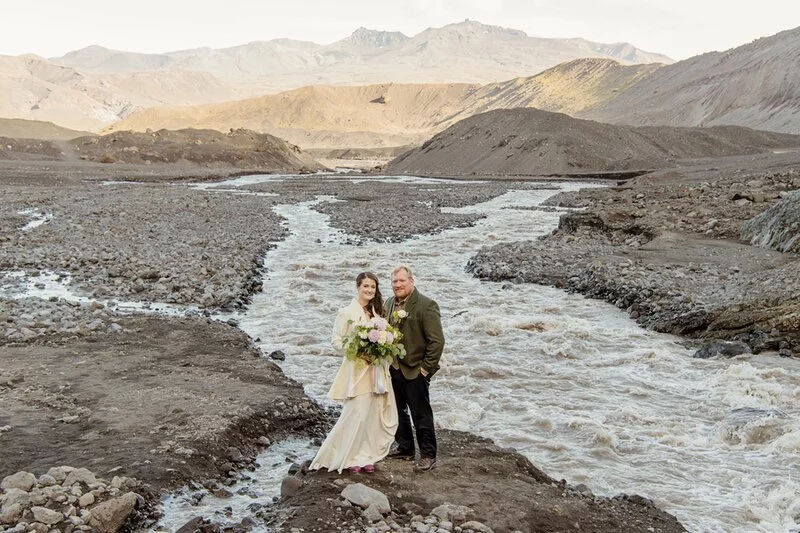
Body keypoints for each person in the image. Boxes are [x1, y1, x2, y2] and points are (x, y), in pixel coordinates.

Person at [310, 272, 398, 474]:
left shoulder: (378, 313)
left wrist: (381, 349)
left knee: (371, 414)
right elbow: (336, 341)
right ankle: (345, 456)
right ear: (358, 287)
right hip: (357, 370)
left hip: (375, 371)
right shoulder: (346, 312)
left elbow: (383, 338)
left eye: (372, 287)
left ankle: (366, 455)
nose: (369, 290)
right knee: (356, 413)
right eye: (366, 286)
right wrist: (357, 351)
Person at [385, 265, 445, 472]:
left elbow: (437, 342)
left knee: (421, 414)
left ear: (411, 281)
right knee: (398, 411)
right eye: (394, 282)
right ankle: (405, 447)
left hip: (415, 370)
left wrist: (425, 369)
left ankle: (428, 455)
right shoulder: (389, 303)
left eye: (402, 281)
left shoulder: (426, 305)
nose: (398, 285)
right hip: (394, 368)